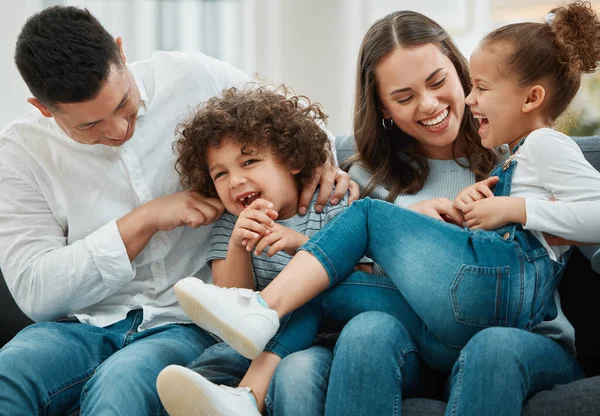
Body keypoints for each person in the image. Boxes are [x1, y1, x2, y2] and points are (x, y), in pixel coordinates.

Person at [170, 2, 600, 415]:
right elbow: (351, 263)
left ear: (463, 73)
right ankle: (248, 375)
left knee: (493, 346)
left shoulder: (519, 156)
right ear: (384, 109)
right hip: (422, 339)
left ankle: (260, 315)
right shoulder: (357, 181)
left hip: (517, 328)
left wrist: (533, 217)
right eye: (404, 96)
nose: (429, 105)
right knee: (363, 327)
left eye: (437, 82)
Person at [0, 6, 356, 415]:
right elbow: (35, 292)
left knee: (119, 388)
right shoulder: (21, 152)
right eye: (88, 126)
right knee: (8, 375)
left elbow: (291, 128)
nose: (117, 130)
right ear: (44, 109)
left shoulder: (193, 77)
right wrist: (144, 220)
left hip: (182, 323)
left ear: (120, 51)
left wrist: (326, 164)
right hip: (82, 325)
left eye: (123, 104)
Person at [154, 85, 365, 415]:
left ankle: (246, 396)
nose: (235, 180)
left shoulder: (330, 205)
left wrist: (300, 245)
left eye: (249, 161)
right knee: (211, 365)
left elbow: (362, 282)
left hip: (326, 337)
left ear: (292, 160)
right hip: (255, 346)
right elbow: (231, 304)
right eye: (220, 173)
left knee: (299, 356)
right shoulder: (232, 224)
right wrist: (239, 244)